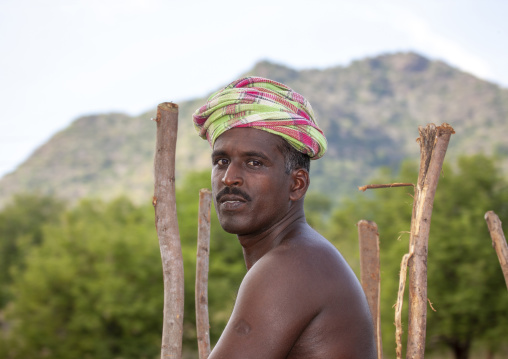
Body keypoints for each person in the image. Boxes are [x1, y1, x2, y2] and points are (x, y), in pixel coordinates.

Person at [193, 77, 376, 359]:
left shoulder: (290, 267)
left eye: (254, 163)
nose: (229, 178)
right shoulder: (303, 256)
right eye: (221, 161)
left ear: (297, 184)